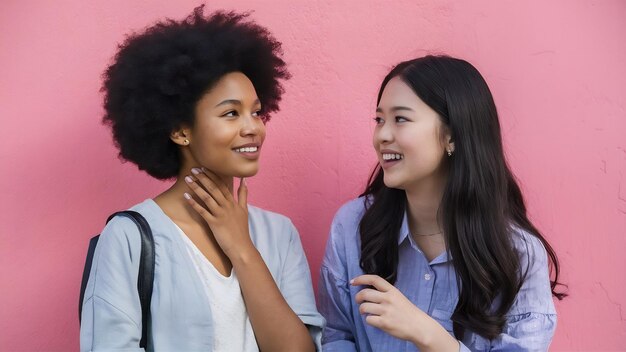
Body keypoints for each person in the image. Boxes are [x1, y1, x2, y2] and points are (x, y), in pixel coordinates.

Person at [80, 6, 323, 351]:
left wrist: (241, 248)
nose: (253, 127)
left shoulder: (279, 235)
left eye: (256, 112)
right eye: (231, 113)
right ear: (180, 130)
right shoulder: (129, 237)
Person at [318, 55, 565, 351]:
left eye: (400, 119)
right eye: (379, 120)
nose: (382, 136)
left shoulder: (516, 253)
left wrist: (431, 337)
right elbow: (338, 337)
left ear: (452, 136)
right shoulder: (352, 226)